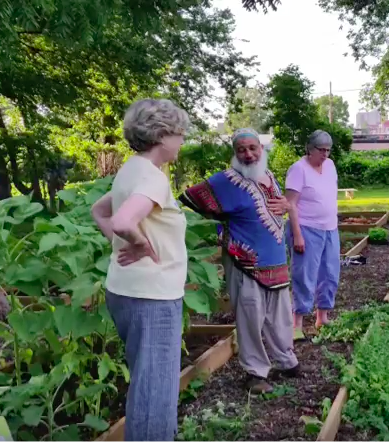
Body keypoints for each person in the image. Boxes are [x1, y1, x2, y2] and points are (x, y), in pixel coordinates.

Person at [91, 98, 190, 440]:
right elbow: (120, 220)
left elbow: (99, 212)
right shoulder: (152, 178)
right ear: (162, 136)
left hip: (126, 291)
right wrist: (140, 244)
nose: (182, 141)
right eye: (180, 134)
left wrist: (125, 243)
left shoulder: (131, 170)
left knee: (145, 382)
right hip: (153, 298)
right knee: (155, 394)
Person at [179, 128, 299, 394]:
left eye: (252, 148)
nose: (248, 154)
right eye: (241, 150)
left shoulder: (266, 174)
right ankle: (255, 373)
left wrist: (285, 206)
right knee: (250, 318)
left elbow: (274, 208)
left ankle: (286, 360)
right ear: (235, 153)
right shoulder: (227, 180)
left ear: (261, 148)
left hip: (276, 260)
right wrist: (225, 225)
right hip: (246, 262)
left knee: (279, 316)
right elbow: (192, 198)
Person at [285, 130, 340, 338]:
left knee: (330, 273)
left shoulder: (330, 166)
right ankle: (297, 325)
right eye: (321, 150)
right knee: (304, 276)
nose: (325, 154)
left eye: (328, 150)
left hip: (330, 228)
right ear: (310, 149)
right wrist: (297, 235)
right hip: (306, 229)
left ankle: (322, 318)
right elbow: (290, 204)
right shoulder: (298, 169)